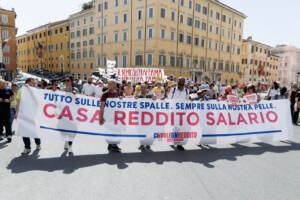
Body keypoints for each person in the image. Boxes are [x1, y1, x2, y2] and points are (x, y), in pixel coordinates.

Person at [15, 78, 41, 154]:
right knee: (24, 131)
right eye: (33, 83)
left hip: (34, 114)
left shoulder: (35, 91)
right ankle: (27, 147)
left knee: (35, 130)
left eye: (35, 83)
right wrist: (17, 112)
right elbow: (18, 102)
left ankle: (38, 143)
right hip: (23, 114)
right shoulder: (21, 91)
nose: (35, 84)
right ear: (28, 83)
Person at [99, 79, 122, 153]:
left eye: (112, 84)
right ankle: (113, 145)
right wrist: (101, 117)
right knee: (110, 130)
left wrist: (120, 99)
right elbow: (102, 106)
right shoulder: (105, 94)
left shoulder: (117, 93)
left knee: (116, 130)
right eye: (109, 84)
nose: (110, 85)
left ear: (115, 85)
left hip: (115, 115)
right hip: (108, 116)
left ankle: (112, 145)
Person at [168, 77, 189, 151]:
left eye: (183, 81)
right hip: (174, 112)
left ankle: (179, 143)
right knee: (174, 127)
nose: (182, 82)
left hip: (182, 113)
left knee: (181, 127)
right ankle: (173, 140)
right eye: (180, 81)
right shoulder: (173, 90)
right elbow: (169, 99)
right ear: (177, 81)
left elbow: (187, 100)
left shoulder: (186, 90)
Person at [61, 76, 78, 153]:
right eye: (65, 80)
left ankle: (70, 145)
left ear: (71, 81)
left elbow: (80, 98)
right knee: (64, 130)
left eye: (68, 80)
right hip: (64, 113)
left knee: (72, 130)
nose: (66, 82)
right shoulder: (61, 90)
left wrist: (74, 93)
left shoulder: (75, 90)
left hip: (72, 113)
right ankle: (66, 140)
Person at [135, 83, 154, 151]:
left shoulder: (150, 96)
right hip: (141, 116)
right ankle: (142, 144)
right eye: (142, 88)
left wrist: (154, 97)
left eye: (144, 87)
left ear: (146, 89)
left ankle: (148, 143)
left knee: (149, 130)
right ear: (140, 89)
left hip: (149, 117)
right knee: (141, 131)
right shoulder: (138, 96)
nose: (143, 89)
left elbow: (155, 101)